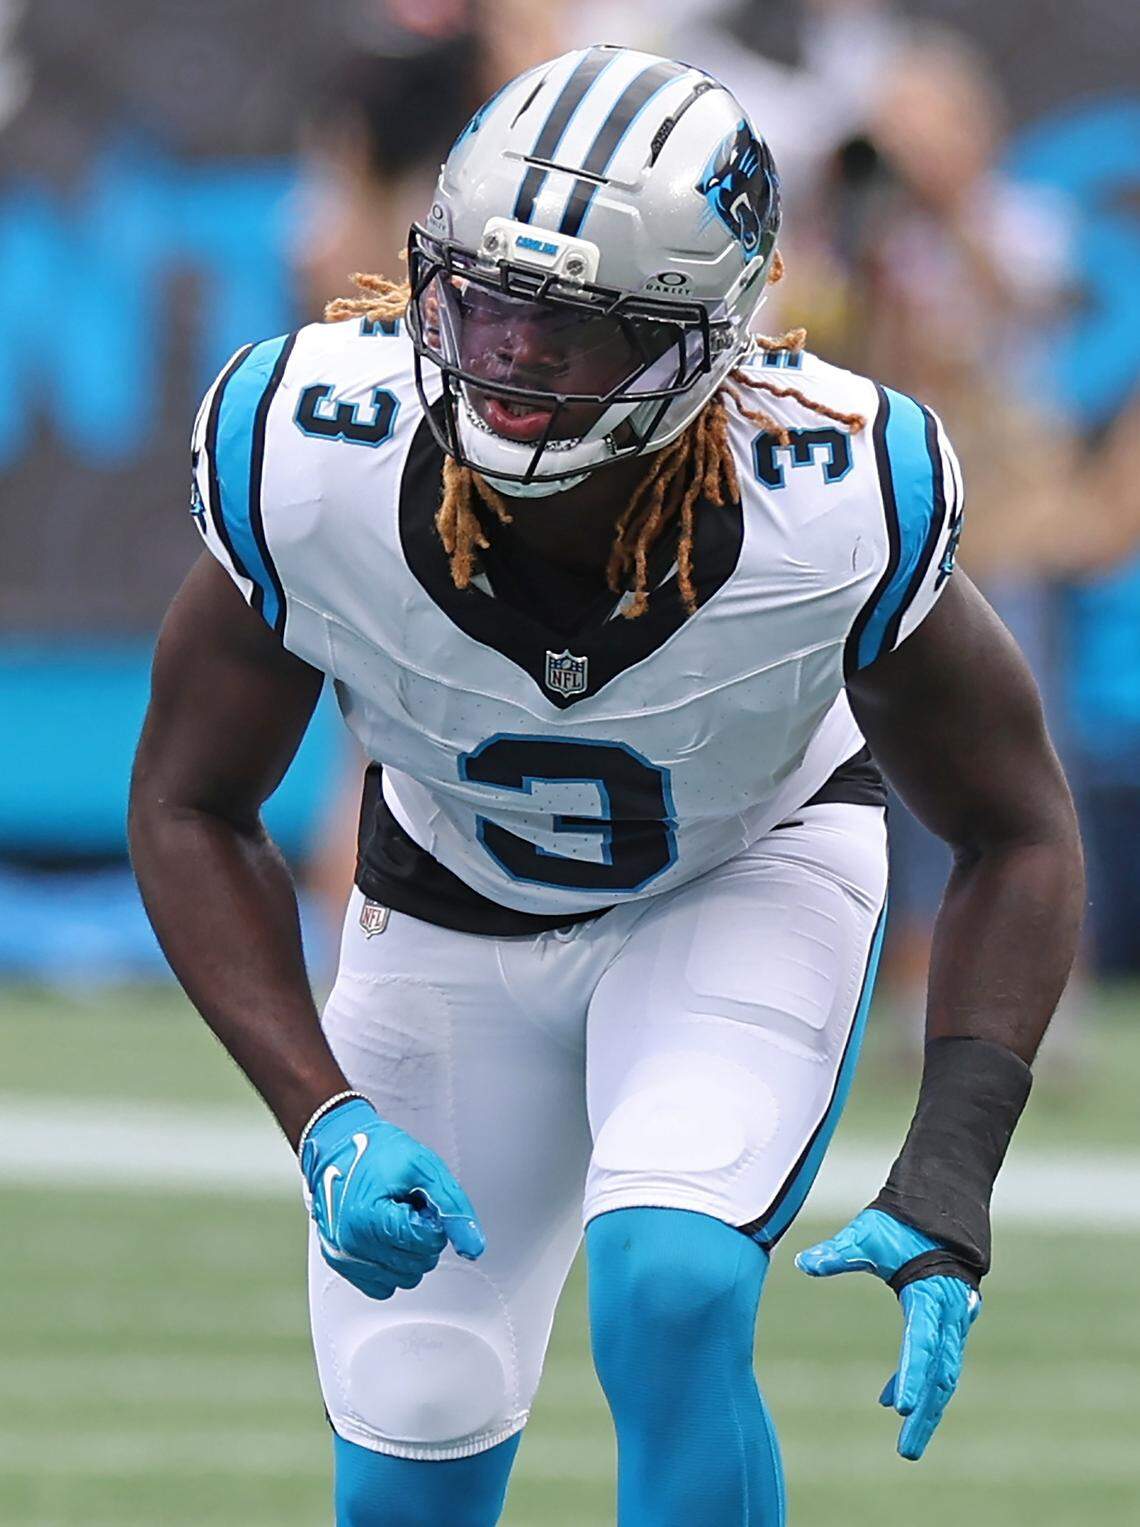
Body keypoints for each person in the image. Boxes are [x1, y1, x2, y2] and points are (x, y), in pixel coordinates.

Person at [129, 44, 1083, 1527]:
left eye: (568, 331)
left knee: (676, 1283)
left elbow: (1016, 827)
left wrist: (952, 1169)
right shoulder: (309, 454)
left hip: (740, 879)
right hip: (442, 913)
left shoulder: (830, 498)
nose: (504, 358)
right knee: (412, 1454)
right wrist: (322, 1121)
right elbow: (192, 802)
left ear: (707, 339)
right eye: (479, 302)